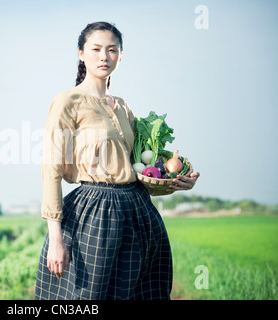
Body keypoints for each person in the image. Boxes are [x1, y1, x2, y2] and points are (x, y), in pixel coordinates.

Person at [35, 22, 200, 300]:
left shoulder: (123, 106)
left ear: (120, 57)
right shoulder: (68, 101)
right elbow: (51, 168)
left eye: (112, 50)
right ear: (81, 53)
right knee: (90, 296)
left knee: (142, 292)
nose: (104, 56)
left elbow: (141, 168)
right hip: (95, 212)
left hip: (138, 211)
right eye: (96, 49)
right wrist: (56, 238)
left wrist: (175, 182)